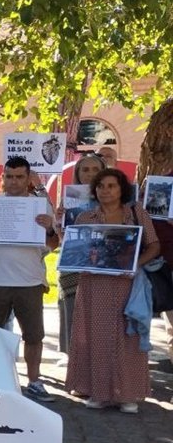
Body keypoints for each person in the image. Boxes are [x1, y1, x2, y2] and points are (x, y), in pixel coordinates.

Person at [66, 168, 161, 413]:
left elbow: (154, 245)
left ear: (122, 189)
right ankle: (98, 393)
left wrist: (135, 264)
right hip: (93, 285)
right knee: (95, 337)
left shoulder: (136, 213)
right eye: (100, 186)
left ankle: (127, 395)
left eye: (111, 186)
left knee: (128, 337)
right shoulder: (85, 217)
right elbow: (75, 251)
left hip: (126, 284)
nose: (105, 190)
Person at [0, 156, 60, 402]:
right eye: (9, 176)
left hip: (29, 281)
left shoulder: (41, 206)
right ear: (3, 177)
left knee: (33, 336)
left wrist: (49, 228)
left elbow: (53, 245)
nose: (14, 181)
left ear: (28, 179)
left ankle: (34, 381)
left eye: (19, 177)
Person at [57, 153, 107, 355]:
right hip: (74, 266)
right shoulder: (70, 199)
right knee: (73, 315)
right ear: (77, 173)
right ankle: (74, 361)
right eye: (85, 169)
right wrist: (59, 222)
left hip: (104, 267)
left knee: (101, 320)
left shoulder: (118, 199)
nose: (90, 174)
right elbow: (62, 238)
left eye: (95, 169)